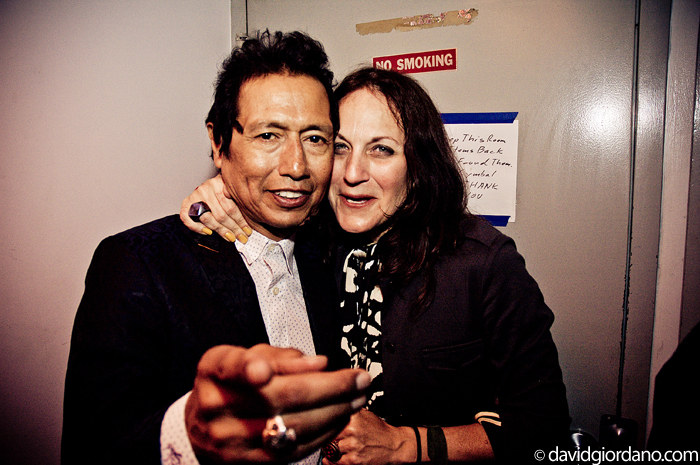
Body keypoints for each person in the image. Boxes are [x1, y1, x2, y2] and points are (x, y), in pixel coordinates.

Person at [181, 67, 571, 463]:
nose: (353, 174)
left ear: (418, 164)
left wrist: (406, 445)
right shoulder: (312, 245)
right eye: (339, 148)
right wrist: (219, 190)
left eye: (381, 149)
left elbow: (546, 429)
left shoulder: (483, 263)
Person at [62, 31, 372, 465]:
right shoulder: (137, 265)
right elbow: (92, 448)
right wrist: (188, 433)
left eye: (315, 139)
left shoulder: (333, 252)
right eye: (268, 135)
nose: (296, 166)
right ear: (219, 142)